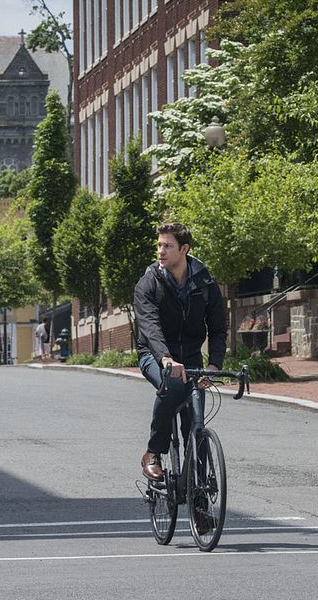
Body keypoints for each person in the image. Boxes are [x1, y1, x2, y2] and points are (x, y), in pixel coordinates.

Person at [133, 222, 227, 527]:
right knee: (173, 387)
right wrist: (165, 358)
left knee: (195, 429)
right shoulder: (148, 284)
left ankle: (199, 506)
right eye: (159, 245)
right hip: (154, 354)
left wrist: (214, 364)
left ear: (184, 250)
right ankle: (153, 452)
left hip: (191, 358)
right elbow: (149, 326)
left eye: (167, 246)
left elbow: (218, 328)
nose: (160, 251)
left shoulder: (206, 283)